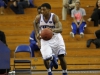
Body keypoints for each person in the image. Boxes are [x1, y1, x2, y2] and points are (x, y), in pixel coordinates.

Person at [33, 3, 67, 75]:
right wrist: (37, 33)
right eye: (41, 9)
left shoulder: (54, 17)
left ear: (49, 10)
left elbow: (60, 29)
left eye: (44, 9)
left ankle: (64, 72)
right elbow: (34, 23)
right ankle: (49, 69)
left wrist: (51, 30)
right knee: (45, 58)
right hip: (45, 38)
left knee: (61, 57)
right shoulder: (38, 17)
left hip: (56, 37)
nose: (42, 11)